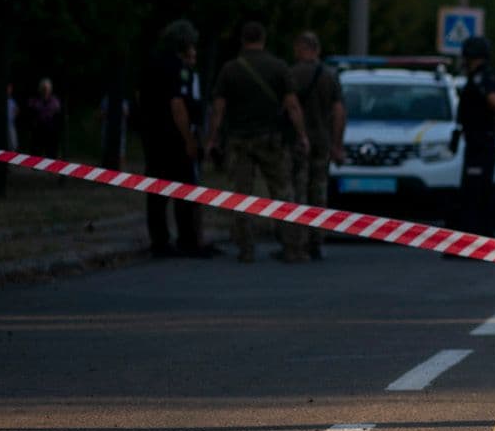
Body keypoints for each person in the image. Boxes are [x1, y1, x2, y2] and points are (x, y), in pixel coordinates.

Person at [205, 22, 310, 263]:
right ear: (263, 39)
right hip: (270, 140)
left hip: (239, 140)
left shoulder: (230, 69)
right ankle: (291, 247)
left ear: (243, 40)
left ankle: (246, 248)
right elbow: (292, 106)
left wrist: (211, 139)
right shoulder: (278, 67)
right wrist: (302, 135)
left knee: (242, 195)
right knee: (282, 192)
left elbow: (218, 110)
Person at [138, 21, 214, 258]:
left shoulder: (151, 62)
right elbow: (177, 104)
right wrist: (189, 139)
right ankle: (187, 239)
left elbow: (140, 96)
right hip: (173, 137)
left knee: (157, 191)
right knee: (184, 188)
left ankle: (159, 241)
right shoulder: (176, 68)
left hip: (152, 135)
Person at [288, 32, 346, 260]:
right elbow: (339, 112)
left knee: (298, 189)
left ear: (301, 48)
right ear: (317, 49)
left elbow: (290, 107)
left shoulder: (291, 75)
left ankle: (298, 241)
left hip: (298, 141)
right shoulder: (329, 76)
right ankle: (316, 240)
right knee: (319, 189)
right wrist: (337, 144)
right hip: (323, 140)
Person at [454, 35, 495, 241]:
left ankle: (476, 237)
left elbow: (493, 100)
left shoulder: (480, 77)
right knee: (478, 190)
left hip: (481, 142)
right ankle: (480, 236)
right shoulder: (483, 75)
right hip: (481, 141)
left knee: (475, 191)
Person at [21, 78, 64, 158]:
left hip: (51, 129)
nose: (45, 90)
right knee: (36, 149)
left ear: (50, 89)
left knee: (51, 150)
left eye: (47, 88)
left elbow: (58, 115)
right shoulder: (34, 100)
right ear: (40, 89)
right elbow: (30, 111)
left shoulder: (54, 101)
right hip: (38, 128)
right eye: (43, 88)